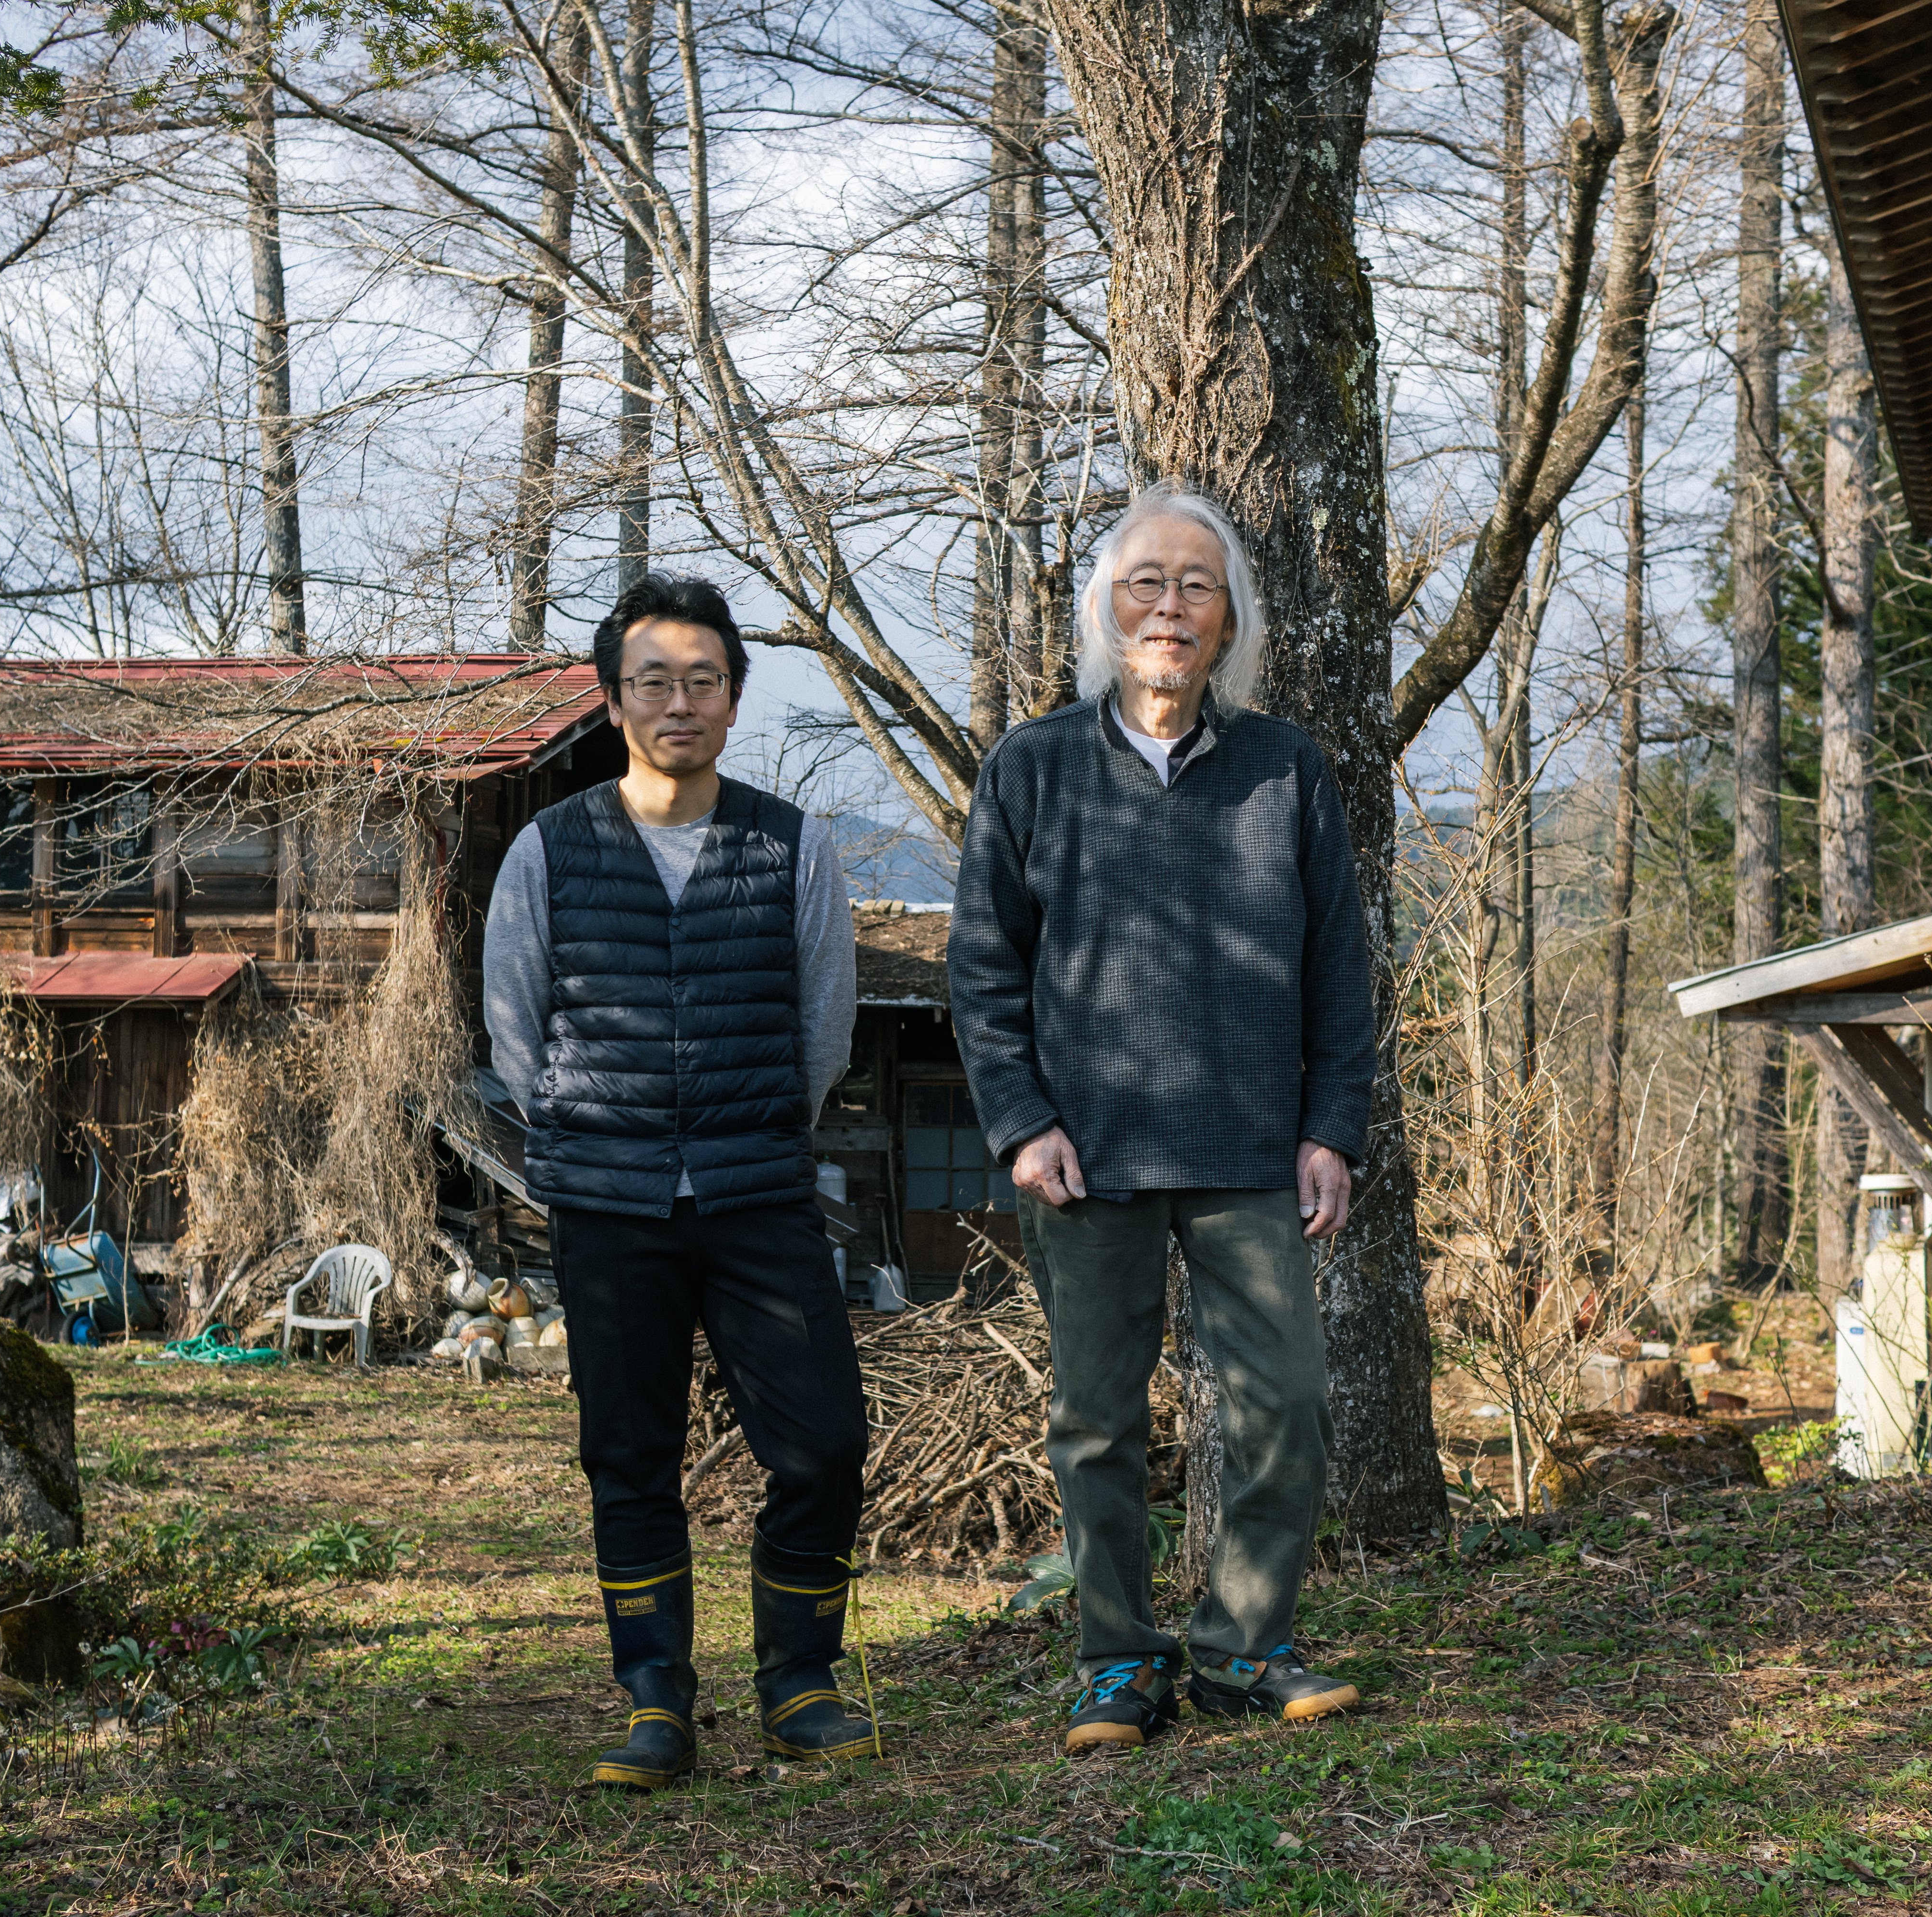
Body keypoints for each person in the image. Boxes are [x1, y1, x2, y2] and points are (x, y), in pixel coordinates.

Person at [948, 480, 1377, 1753]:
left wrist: (1331, 1131)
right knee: (1094, 1420)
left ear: (1228, 619)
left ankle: (1244, 1651)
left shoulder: (1283, 770)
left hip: (1252, 1155)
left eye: (1196, 586)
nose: (1169, 607)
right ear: (1104, 610)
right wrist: (1021, 1120)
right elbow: (979, 967)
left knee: (1284, 1405)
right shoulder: (1030, 770)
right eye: (1146, 582)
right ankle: (1115, 1664)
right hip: (1084, 1162)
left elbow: (1340, 972)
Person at [483, 572, 875, 1789]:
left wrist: (745, 1131)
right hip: (608, 1205)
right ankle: (657, 1697)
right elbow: (514, 1023)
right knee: (630, 1458)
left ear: (734, 700)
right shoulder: (550, 848)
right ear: (613, 700)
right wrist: (594, 1140)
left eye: (704, 679)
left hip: (758, 1192)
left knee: (821, 1442)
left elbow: (824, 1026)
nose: (680, 701)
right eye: (653, 679)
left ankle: (799, 1680)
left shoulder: (789, 844)